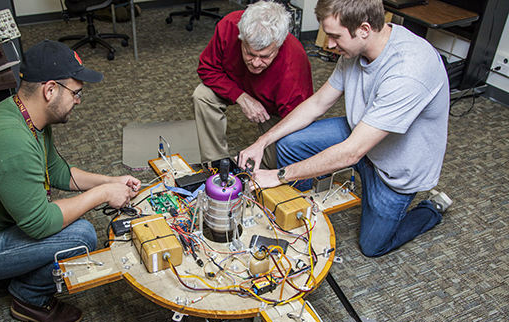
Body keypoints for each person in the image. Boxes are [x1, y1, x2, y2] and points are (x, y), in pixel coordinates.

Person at [0, 40, 141, 322]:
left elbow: (59, 173)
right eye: (76, 93)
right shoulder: (13, 142)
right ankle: (28, 298)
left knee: (69, 220)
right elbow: (39, 224)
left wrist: (110, 180)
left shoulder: (25, 115)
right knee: (81, 236)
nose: (78, 101)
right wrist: (102, 194)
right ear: (50, 90)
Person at [239, 0, 452, 257]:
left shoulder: (410, 70)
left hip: (397, 164)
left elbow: (351, 152)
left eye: (334, 36)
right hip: (360, 131)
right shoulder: (355, 48)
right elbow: (317, 104)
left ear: (363, 29)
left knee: (373, 246)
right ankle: (299, 209)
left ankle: (431, 210)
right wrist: (262, 141)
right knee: (289, 144)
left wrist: (278, 175)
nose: (328, 44)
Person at [194, 0, 313, 169]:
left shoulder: (294, 64)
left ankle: (249, 170)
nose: (256, 63)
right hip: (239, 84)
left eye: (265, 56)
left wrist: (264, 141)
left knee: (279, 162)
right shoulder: (229, 26)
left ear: (278, 45)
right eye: (249, 53)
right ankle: (216, 165)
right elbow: (207, 68)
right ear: (241, 37)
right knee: (202, 95)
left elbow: (299, 122)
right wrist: (240, 96)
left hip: (275, 111)